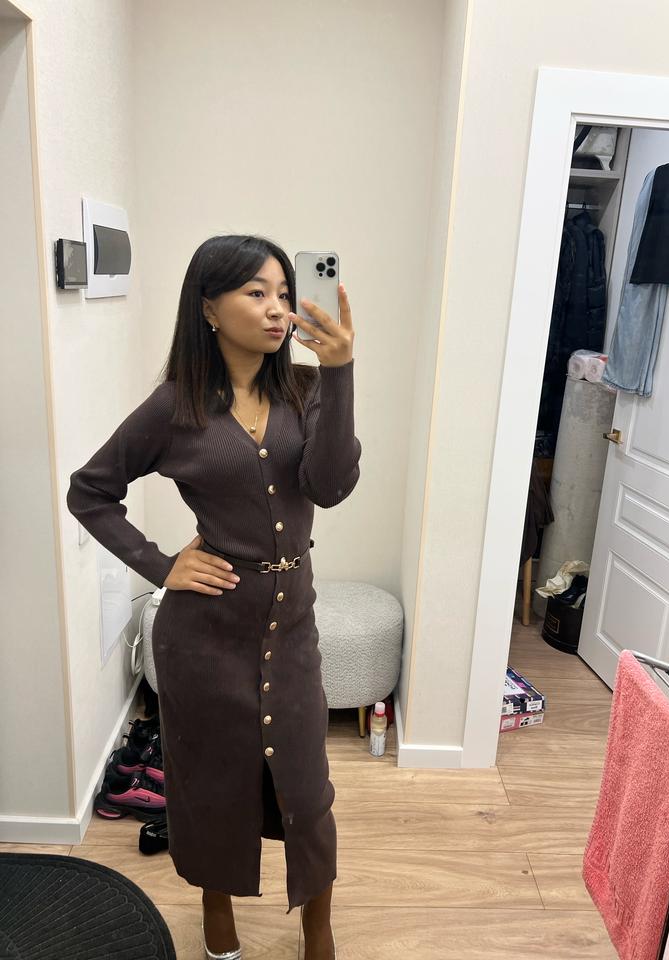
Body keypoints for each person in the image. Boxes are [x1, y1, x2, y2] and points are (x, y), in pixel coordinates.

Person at [66, 234, 361, 960]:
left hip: (290, 629)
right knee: (210, 790)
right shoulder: (175, 407)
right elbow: (90, 491)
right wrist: (160, 564)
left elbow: (330, 485)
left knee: (307, 790)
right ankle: (217, 920)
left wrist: (341, 371)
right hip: (203, 638)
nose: (277, 309)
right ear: (208, 308)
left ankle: (317, 929)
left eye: (284, 293)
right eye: (256, 293)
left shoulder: (306, 388)